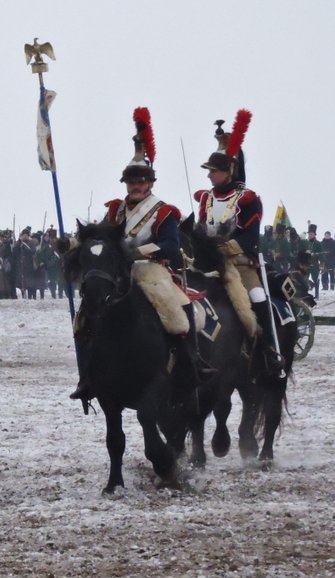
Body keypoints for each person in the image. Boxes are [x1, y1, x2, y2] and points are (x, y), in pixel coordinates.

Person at [67, 107, 208, 401]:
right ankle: (88, 377)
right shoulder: (114, 210)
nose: (136, 186)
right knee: (83, 318)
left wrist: (139, 250)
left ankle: (193, 362)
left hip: (151, 270)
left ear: (150, 184)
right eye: (131, 182)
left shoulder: (163, 211)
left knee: (178, 312)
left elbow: (170, 246)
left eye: (141, 182)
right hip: (117, 272)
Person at [195, 110, 282, 372]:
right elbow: (201, 227)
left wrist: (228, 247)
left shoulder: (246, 198)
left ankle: (268, 348)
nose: (209, 176)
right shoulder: (206, 198)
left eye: (214, 171)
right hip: (207, 261)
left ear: (228, 172)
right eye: (209, 171)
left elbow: (250, 235)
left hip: (240, 262)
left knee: (256, 297)